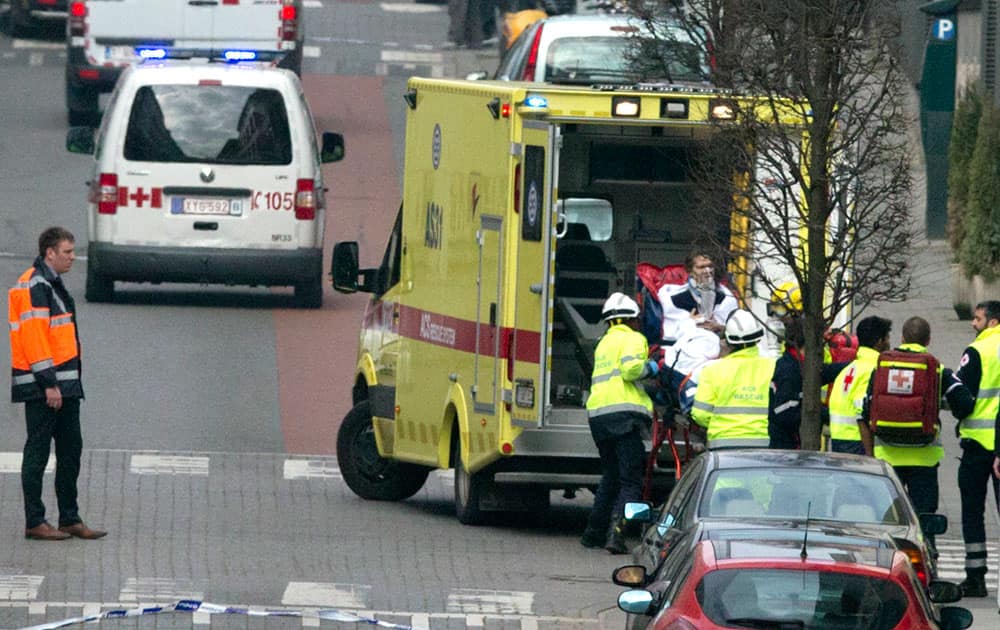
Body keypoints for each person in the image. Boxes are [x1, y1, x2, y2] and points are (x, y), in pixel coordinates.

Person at [8, 227, 106, 541]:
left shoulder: (50, 283)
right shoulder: (36, 285)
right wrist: (49, 384)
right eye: (67, 252)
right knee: (37, 451)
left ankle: (69, 518)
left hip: (64, 385)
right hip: (44, 387)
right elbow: (35, 339)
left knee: (70, 449)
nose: (72, 258)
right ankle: (35, 521)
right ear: (50, 252)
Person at [868, 316, 972, 550]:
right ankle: (926, 564)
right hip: (924, 457)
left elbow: (867, 405)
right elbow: (964, 402)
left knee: (887, 518)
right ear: (928, 340)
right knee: (925, 519)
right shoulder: (937, 368)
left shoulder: (883, 366)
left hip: (887, 455)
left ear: (902, 338)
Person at [581, 292, 658, 554]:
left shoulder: (603, 342)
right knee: (630, 480)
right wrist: (652, 367)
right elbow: (631, 370)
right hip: (625, 417)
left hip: (599, 416)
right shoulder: (634, 338)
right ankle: (618, 534)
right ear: (631, 318)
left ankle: (593, 532)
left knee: (610, 476)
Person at [954, 300, 1000, 597]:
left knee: (972, 512)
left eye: (978, 318)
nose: (973, 324)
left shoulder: (978, 351)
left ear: (993, 322)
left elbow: (962, 400)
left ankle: (976, 576)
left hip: (978, 445)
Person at [691, 310, 776, 450]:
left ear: (727, 340)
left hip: (722, 443)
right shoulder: (773, 367)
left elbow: (700, 414)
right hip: (763, 443)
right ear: (758, 338)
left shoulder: (712, 370)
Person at [768, 317, 848, 449]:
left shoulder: (800, 365)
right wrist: (824, 414)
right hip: (789, 452)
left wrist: (856, 365)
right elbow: (785, 413)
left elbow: (824, 372)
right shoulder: (788, 370)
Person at [827, 316, 891, 456]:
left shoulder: (850, 368)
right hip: (858, 441)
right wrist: (869, 455)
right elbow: (861, 412)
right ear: (879, 342)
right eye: (887, 338)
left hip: (839, 439)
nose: (889, 343)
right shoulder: (873, 369)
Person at [657, 249, 738, 346]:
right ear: (690, 271)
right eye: (701, 267)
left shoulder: (727, 298)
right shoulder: (671, 299)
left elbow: (736, 331)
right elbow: (669, 334)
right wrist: (691, 323)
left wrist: (719, 327)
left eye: (710, 266)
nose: (707, 271)